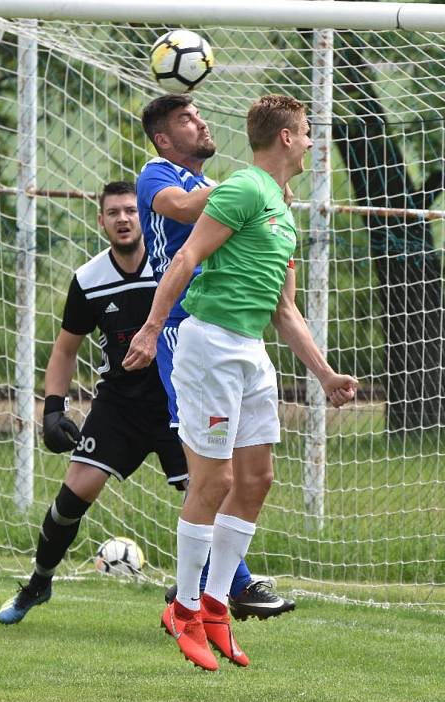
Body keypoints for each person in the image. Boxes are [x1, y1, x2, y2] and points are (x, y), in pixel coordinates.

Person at [124, 95, 358, 671]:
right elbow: (184, 261)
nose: (311, 144)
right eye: (305, 134)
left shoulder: (281, 207)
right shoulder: (242, 189)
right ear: (284, 138)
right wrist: (152, 329)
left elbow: (285, 311)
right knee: (213, 480)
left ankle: (216, 606)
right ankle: (182, 610)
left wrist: (325, 374)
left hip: (250, 351)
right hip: (209, 347)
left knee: (256, 479)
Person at [0, 181, 289, 626]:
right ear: (101, 221)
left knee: (207, 488)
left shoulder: (174, 266)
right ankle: (39, 582)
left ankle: (225, 586)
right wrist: (53, 407)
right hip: (120, 405)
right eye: (113, 212)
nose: (123, 219)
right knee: (76, 492)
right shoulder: (89, 279)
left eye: (131, 210)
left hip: (180, 398)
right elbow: (65, 348)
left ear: (144, 216)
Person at [137, 94, 295, 622]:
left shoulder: (232, 187)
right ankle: (210, 591)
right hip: (185, 328)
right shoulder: (156, 174)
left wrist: (263, 190)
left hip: (231, 333)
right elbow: (183, 211)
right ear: (163, 138)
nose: (201, 123)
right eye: (187, 118)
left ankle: (216, 587)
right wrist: (259, 184)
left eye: (200, 115)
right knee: (206, 472)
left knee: (243, 474)